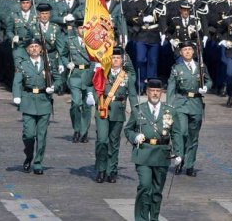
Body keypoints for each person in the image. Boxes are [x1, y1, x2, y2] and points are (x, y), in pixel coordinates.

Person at [124, 78, 183, 221]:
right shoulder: (139, 110)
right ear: (147, 92)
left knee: (156, 191)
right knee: (144, 186)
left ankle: (154, 218)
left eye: (158, 91)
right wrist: (135, 136)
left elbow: (176, 133)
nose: (155, 94)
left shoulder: (170, 111)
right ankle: (141, 218)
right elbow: (128, 129)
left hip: (162, 154)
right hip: (143, 153)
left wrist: (179, 154)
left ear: (162, 92)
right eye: (152, 91)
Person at [12, 38, 61, 174]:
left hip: (44, 100)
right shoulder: (23, 64)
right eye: (31, 47)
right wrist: (16, 96)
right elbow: (17, 81)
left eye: (36, 46)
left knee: (41, 135)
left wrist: (53, 87)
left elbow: (58, 79)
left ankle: (38, 162)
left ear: (41, 49)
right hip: (28, 101)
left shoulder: (48, 63)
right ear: (27, 50)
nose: (34, 49)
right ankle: (28, 156)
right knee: (28, 134)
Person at [92, 47, 138, 183]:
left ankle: (111, 170)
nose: (115, 60)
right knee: (101, 140)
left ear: (122, 61)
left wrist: (137, 113)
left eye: (118, 58)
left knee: (114, 142)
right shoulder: (102, 73)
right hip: (102, 110)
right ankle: (101, 169)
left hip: (118, 111)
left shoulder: (126, 76)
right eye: (113, 58)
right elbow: (89, 82)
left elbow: (133, 95)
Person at [166, 40, 212, 176]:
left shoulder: (201, 66)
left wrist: (206, 87)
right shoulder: (176, 68)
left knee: (193, 136)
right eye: (184, 50)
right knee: (182, 132)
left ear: (194, 52)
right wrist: (169, 106)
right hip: (181, 103)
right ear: (180, 53)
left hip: (196, 103)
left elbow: (209, 80)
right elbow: (171, 87)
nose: (187, 52)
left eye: (189, 49)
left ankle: (190, 165)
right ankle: (180, 159)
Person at [59, 20, 94, 143]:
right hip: (75, 74)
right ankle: (76, 129)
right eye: (80, 28)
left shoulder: (93, 41)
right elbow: (63, 54)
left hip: (89, 74)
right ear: (76, 29)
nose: (82, 30)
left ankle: (84, 131)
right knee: (75, 103)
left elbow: (97, 58)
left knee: (87, 105)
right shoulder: (70, 41)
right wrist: (66, 63)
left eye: (84, 28)